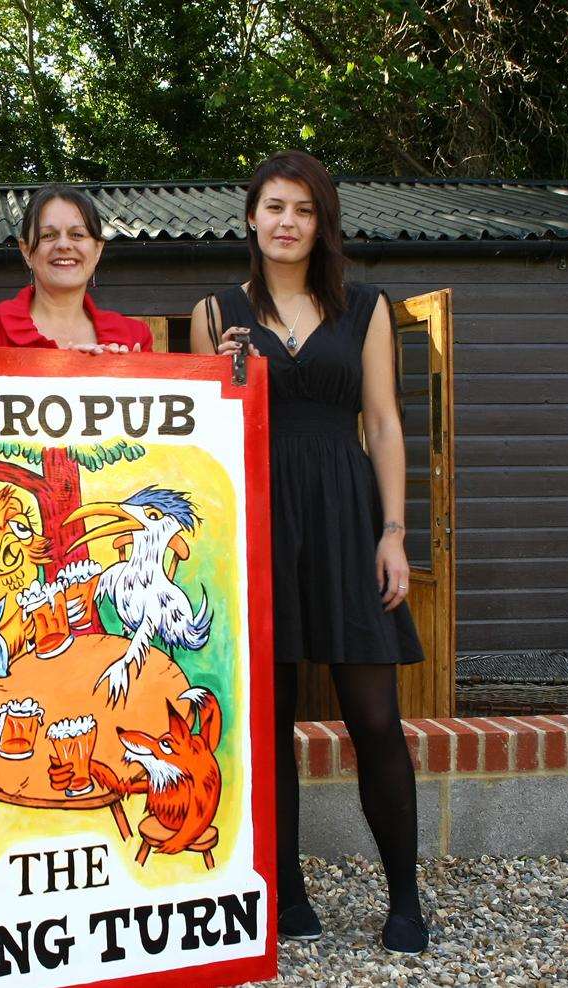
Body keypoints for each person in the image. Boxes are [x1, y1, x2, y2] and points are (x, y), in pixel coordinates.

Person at [190, 150, 429, 954]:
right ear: (250, 218)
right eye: (273, 207)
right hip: (254, 522)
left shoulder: (364, 306)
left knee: (374, 716)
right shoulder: (212, 311)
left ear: (321, 223)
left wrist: (394, 533)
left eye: (303, 209)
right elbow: (200, 438)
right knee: (268, 718)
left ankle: (404, 897)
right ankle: (285, 894)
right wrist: (224, 375)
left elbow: (385, 423)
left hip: (344, 514)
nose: (286, 221)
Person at [0, 185, 152, 353]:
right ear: (26, 251)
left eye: (77, 234)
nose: (64, 245)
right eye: (48, 236)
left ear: (98, 249)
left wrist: (128, 373)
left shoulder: (136, 336)